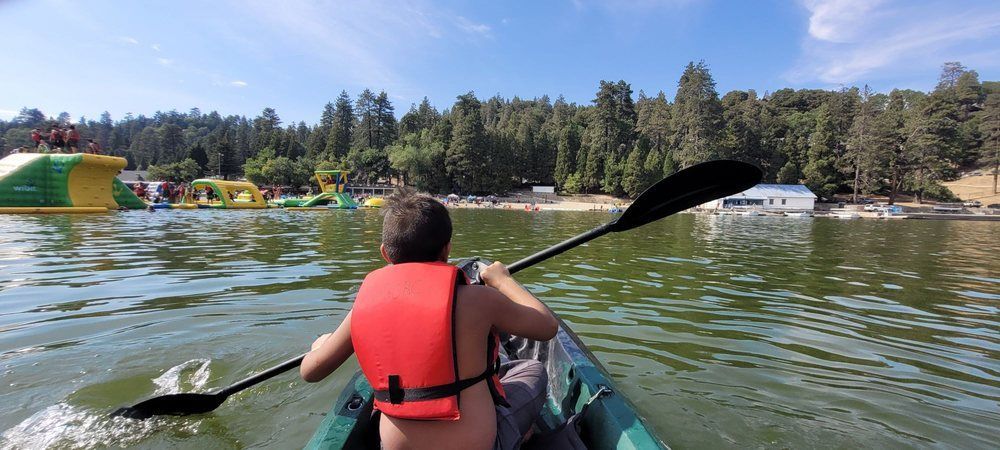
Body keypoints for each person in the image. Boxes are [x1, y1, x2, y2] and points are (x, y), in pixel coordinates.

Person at [301, 189, 557, 450]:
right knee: (533, 371)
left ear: (385, 253)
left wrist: (321, 345)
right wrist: (503, 280)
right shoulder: (479, 299)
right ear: (447, 249)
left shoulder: (363, 307)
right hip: (476, 444)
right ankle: (515, 436)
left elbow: (310, 372)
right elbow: (547, 326)